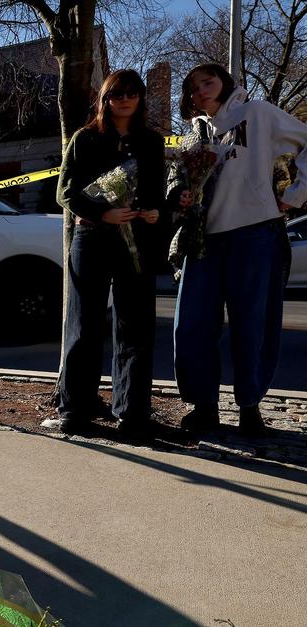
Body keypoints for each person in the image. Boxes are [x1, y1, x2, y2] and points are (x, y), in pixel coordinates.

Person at [171, 63, 307, 436]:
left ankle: (250, 407)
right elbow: (179, 181)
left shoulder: (258, 113)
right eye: (194, 88)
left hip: (255, 234)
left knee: (253, 325)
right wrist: (180, 195)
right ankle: (205, 406)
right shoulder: (193, 136)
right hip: (205, 241)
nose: (201, 91)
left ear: (225, 82)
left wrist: (294, 196)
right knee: (192, 326)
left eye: (208, 82)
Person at [51, 69, 167, 437]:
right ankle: (76, 409)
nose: (124, 99)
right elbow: (64, 192)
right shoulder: (86, 138)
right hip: (93, 237)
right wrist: (101, 212)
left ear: (140, 98)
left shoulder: (151, 141)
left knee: (135, 327)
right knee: (84, 324)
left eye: (131, 93)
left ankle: (132, 412)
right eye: (116, 94)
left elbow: (156, 190)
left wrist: (154, 211)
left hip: (137, 240)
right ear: (105, 99)